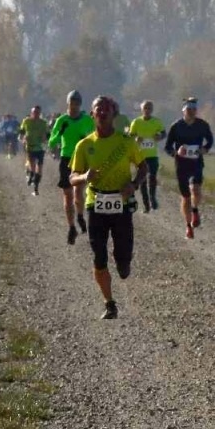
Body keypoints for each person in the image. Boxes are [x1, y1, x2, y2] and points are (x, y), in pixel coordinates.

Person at [68, 96, 148, 320]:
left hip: (121, 205)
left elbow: (143, 167)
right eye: (98, 110)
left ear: (114, 114)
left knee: (122, 257)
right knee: (99, 256)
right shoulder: (84, 145)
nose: (102, 114)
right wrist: (84, 176)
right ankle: (109, 303)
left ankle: (124, 263)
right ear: (92, 115)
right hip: (96, 204)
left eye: (106, 110)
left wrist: (133, 185)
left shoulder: (126, 141)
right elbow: (72, 177)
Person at [49, 91, 95, 245]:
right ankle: (71, 227)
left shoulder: (88, 120)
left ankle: (80, 215)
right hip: (66, 158)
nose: (74, 106)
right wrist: (59, 134)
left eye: (77, 103)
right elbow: (51, 142)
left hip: (81, 159)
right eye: (72, 103)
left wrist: (86, 138)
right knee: (67, 195)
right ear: (67, 103)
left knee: (78, 191)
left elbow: (95, 136)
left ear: (80, 104)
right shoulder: (61, 120)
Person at [165, 98, 214, 239]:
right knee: (185, 196)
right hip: (181, 165)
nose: (192, 112)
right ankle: (188, 226)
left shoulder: (202, 125)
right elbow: (167, 147)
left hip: (196, 162)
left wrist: (205, 149)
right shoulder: (176, 126)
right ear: (183, 111)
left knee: (196, 189)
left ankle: (195, 210)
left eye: (194, 109)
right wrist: (176, 153)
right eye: (189, 110)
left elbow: (210, 140)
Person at [126, 102, 166, 212]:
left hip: (152, 155)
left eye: (149, 108)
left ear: (152, 109)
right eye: (145, 108)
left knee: (152, 177)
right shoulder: (136, 122)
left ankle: (152, 197)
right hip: (140, 156)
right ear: (142, 109)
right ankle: (146, 204)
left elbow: (164, 133)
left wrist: (159, 136)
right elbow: (130, 135)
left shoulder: (156, 122)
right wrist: (135, 139)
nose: (147, 110)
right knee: (142, 180)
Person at [19, 106, 50, 194]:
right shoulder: (26, 121)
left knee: (39, 167)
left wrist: (46, 138)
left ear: (40, 113)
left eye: (38, 113)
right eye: (34, 112)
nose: (36, 114)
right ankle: (31, 175)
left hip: (40, 147)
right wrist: (23, 138)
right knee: (32, 165)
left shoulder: (43, 123)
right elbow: (21, 132)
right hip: (30, 146)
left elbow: (48, 134)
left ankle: (36, 185)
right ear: (31, 113)